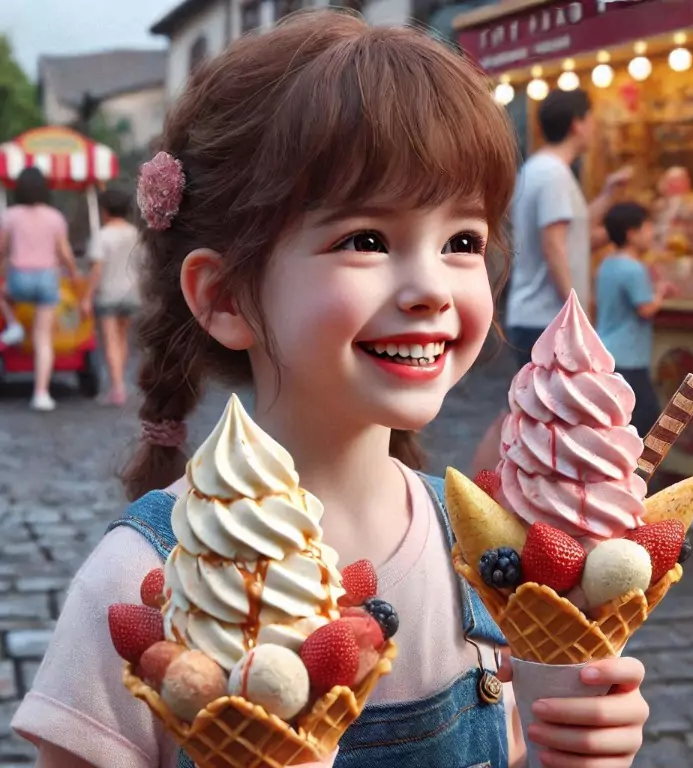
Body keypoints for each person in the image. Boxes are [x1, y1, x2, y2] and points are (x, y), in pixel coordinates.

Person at [12, 13, 649, 767]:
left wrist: (573, 749)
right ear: (224, 297)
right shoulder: (137, 584)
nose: (431, 288)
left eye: (462, 242)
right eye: (366, 241)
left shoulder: (488, 553)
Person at [505, 88, 631, 371]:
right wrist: (578, 314)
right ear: (577, 123)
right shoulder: (553, 174)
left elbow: (574, 235)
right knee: (547, 412)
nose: (594, 128)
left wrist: (609, 195)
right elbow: (554, 246)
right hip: (548, 319)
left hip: (538, 317)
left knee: (529, 408)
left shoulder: (540, 169)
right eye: (591, 119)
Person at [596, 202, 676, 439]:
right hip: (629, 357)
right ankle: (633, 472)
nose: (651, 234)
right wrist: (660, 293)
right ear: (632, 234)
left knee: (617, 420)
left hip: (608, 351)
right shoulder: (633, 268)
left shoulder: (607, 264)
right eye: (647, 228)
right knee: (646, 416)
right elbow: (646, 308)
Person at [0, 167, 78, 411]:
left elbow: (2, 249)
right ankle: (41, 394)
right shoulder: (54, 217)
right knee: (43, 338)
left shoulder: (10, 215)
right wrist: (73, 273)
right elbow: (64, 253)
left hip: (19, 279)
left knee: (3, 295)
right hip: (47, 279)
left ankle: (12, 325)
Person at [82, 188, 143, 406]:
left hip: (108, 295)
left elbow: (96, 269)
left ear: (105, 210)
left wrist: (86, 297)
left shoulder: (102, 235)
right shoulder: (136, 235)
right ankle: (119, 383)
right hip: (133, 294)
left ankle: (117, 387)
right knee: (122, 339)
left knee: (110, 342)